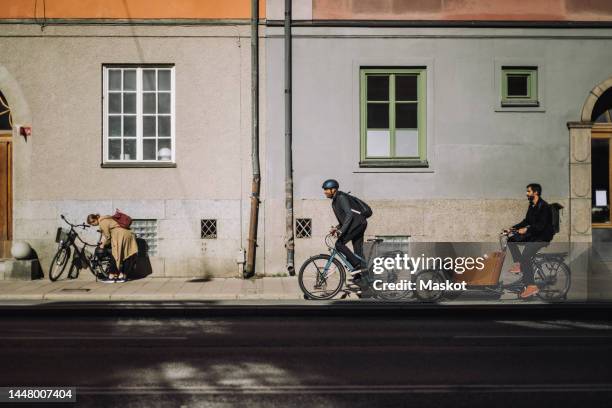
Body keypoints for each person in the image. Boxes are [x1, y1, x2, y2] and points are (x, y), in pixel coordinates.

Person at [504, 183, 555, 299]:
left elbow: (541, 226)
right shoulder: (532, 205)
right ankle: (519, 264)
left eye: (528, 191)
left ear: (535, 192)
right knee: (511, 240)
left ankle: (531, 286)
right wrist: (513, 228)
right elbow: (526, 220)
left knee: (526, 256)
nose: (526, 193)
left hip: (542, 237)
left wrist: (526, 229)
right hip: (533, 234)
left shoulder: (544, 207)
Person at [322, 179, 369, 284]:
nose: (324, 191)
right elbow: (344, 219)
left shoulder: (341, 197)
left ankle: (357, 264)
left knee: (339, 244)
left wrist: (341, 231)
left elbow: (349, 215)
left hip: (357, 224)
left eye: (326, 189)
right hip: (358, 224)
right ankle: (364, 278)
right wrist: (337, 228)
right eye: (324, 189)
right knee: (358, 251)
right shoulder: (335, 201)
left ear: (333, 189)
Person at [86, 213, 138, 282]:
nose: (93, 225)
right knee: (126, 255)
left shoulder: (102, 222)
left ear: (94, 220)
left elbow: (108, 237)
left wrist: (102, 245)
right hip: (128, 234)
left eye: (92, 224)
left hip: (120, 235)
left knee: (115, 254)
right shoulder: (107, 218)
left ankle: (111, 276)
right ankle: (122, 276)